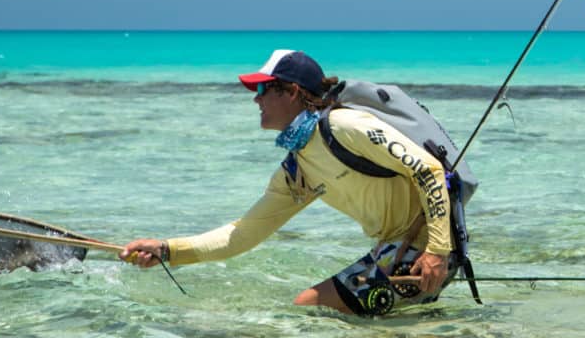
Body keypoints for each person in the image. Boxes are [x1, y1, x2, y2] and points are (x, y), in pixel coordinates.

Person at [120, 49, 457, 316]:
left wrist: (437, 253)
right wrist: (168, 250)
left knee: (309, 310)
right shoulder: (298, 169)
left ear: (293, 91)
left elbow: (429, 169)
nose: (255, 99)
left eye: (263, 89)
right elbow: (244, 233)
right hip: (397, 252)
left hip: (424, 253)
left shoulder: (344, 126)